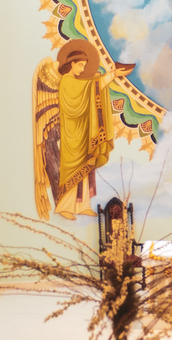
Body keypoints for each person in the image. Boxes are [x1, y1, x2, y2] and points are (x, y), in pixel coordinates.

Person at [33, 39, 131, 220]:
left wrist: (109, 75)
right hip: (72, 135)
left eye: (84, 65)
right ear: (71, 64)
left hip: (83, 131)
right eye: (80, 65)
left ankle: (83, 205)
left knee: (86, 168)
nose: (82, 69)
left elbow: (90, 88)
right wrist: (112, 74)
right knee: (72, 170)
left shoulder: (77, 82)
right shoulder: (67, 81)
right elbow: (89, 89)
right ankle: (64, 206)